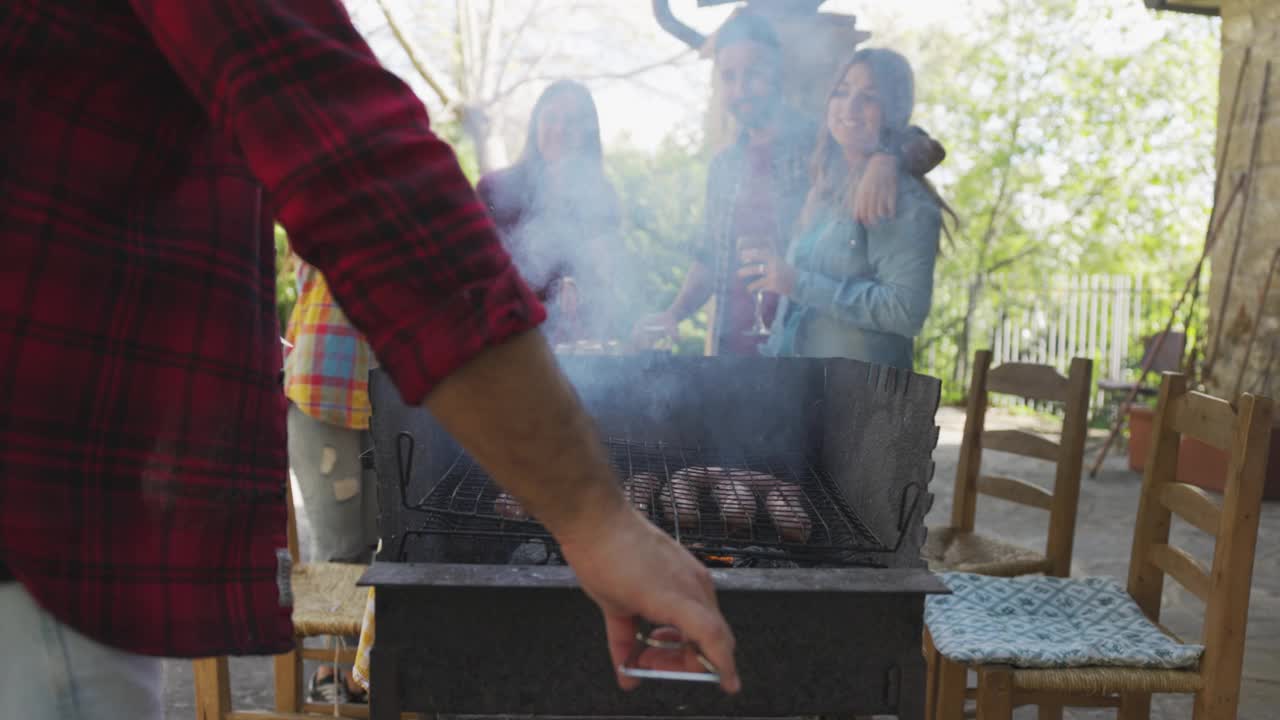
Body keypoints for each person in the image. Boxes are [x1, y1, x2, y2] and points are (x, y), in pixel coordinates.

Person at [0, 3, 738, 718]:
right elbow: (360, 170)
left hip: (47, 527)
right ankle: (338, 690)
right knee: (345, 547)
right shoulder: (498, 189)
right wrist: (594, 517)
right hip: (32, 542)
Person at [633, 12, 946, 357]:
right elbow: (708, 256)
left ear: (777, 72)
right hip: (738, 345)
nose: (741, 89)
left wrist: (887, 157)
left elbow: (922, 144)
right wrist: (673, 313)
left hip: (817, 357)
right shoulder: (724, 165)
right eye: (729, 77)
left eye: (753, 75)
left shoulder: (821, 143)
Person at [745, 48, 950, 369]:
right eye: (841, 92)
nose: (850, 107)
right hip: (801, 387)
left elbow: (904, 312)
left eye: (869, 97)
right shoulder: (827, 186)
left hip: (862, 401)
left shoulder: (898, 197)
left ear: (894, 111)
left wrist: (796, 282)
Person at [282, 256, 378, 703]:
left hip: (384, 389)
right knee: (340, 549)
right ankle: (331, 675)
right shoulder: (331, 199)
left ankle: (367, 671)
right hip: (324, 391)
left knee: (384, 543)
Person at [478, 80, 624, 344]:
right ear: (535, 124)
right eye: (552, 117)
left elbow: (607, 279)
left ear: (587, 133)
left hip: (576, 349)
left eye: (572, 121)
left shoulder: (601, 197)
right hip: (507, 343)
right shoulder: (494, 189)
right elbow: (479, 275)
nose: (559, 129)